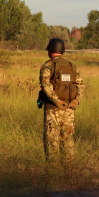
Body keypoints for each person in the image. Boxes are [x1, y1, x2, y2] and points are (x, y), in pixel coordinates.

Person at [39, 38, 84, 170]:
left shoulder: (47, 66)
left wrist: (56, 101)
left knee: (52, 141)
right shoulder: (71, 66)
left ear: (49, 51)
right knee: (67, 141)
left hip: (53, 110)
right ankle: (68, 172)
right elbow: (80, 84)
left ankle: (54, 174)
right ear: (62, 50)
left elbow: (45, 85)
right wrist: (77, 100)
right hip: (69, 109)